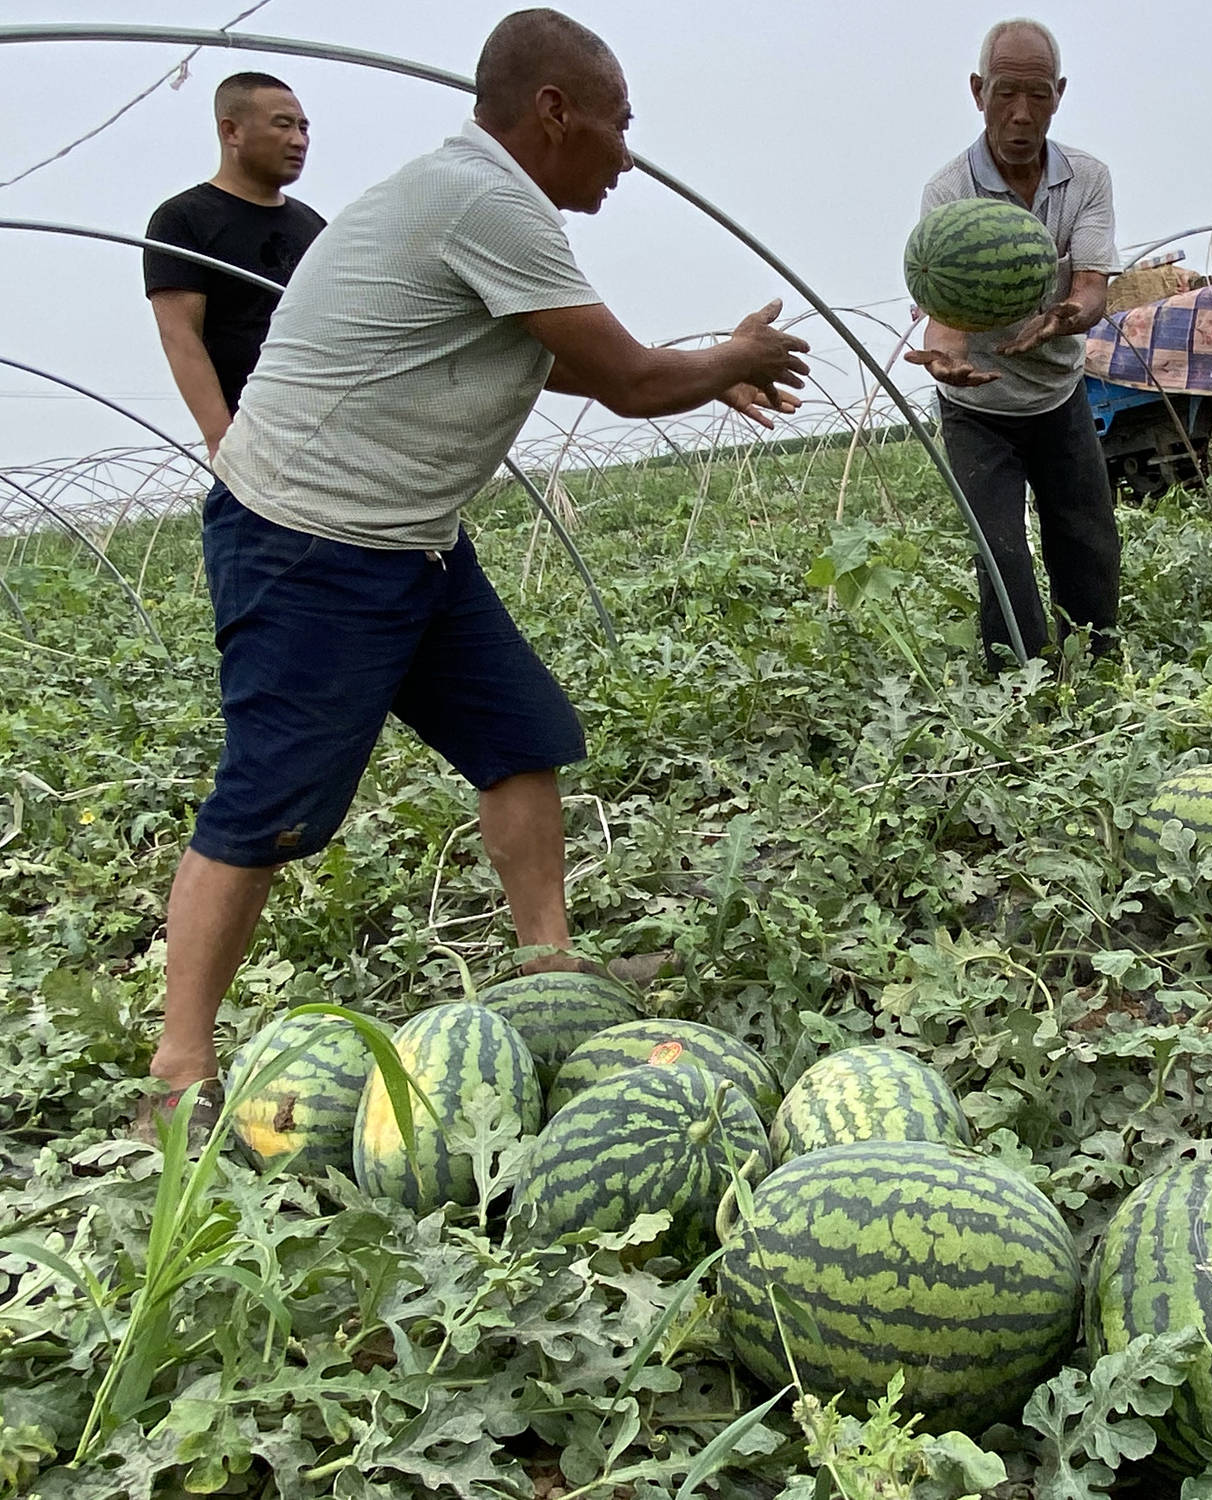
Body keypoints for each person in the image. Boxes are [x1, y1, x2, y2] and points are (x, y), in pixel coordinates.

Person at [137, 7, 810, 1141]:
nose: (626, 153)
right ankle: (178, 1068)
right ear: (553, 112)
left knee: (519, 735)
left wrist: (702, 379)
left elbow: (559, 359)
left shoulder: (482, 205)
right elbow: (632, 380)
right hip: (311, 538)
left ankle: (548, 973)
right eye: (617, 124)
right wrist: (723, 361)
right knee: (271, 806)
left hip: (411, 539)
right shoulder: (486, 196)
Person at [908, 17, 1120, 670]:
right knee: (999, 551)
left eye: (1037, 95)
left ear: (1059, 93)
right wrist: (945, 354)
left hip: (1057, 392)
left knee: (1087, 539)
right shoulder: (948, 193)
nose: (1021, 115)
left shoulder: (1086, 178)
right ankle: (1020, 691)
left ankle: (1097, 666)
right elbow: (945, 315)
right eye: (1005, 94)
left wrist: (1062, 317)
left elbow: (1091, 288)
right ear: (978, 92)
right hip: (976, 406)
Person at [143, 73, 326, 457]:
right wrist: (222, 439)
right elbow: (180, 334)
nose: (298, 140)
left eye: (303, 127)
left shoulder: (313, 226)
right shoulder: (184, 219)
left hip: (329, 427)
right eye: (283, 125)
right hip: (255, 440)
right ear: (231, 131)